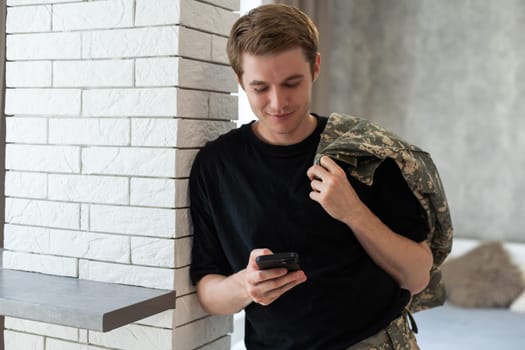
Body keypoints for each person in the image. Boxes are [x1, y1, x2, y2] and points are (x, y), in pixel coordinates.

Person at [189, 4, 434, 349]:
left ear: (315, 67)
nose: (278, 103)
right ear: (240, 81)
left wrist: (352, 212)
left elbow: (417, 275)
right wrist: (246, 285)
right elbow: (207, 292)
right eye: (260, 88)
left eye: (292, 83)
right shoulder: (216, 165)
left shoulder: (361, 151)